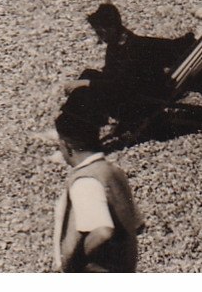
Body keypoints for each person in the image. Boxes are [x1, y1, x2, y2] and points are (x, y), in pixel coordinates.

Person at [50, 87, 143, 273]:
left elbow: (102, 231)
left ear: (68, 147)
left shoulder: (85, 181)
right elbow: (137, 225)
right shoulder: (113, 172)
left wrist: (75, 262)